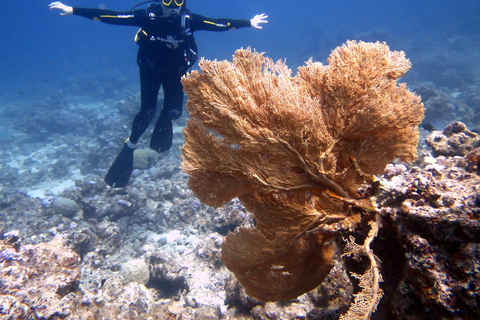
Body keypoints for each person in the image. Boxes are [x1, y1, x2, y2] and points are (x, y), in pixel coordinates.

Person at [49, 0, 268, 188]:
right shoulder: (148, 17)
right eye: (168, 0)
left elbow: (219, 24)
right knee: (147, 111)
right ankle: (131, 144)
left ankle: (164, 119)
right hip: (150, 71)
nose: (172, 6)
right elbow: (112, 16)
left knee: (173, 112)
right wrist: (73, 10)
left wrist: (248, 23)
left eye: (177, 1)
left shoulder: (189, 21)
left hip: (175, 73)